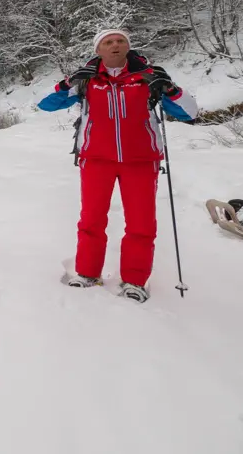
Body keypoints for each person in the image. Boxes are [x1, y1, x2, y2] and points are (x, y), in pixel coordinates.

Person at [37, 29, 199, 302]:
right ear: (98, 49)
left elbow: (189, 112)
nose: (115, 45)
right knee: (91, 220)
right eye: (108, 42)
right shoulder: (87, 80)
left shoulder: (148, 78)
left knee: (141, 224)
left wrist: (171, 89)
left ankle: (135, 281)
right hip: (96, 159)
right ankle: (88, 274)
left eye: (121, 40)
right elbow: (46, 105)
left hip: (141, 161)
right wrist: (67, 83)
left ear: (128, 46)